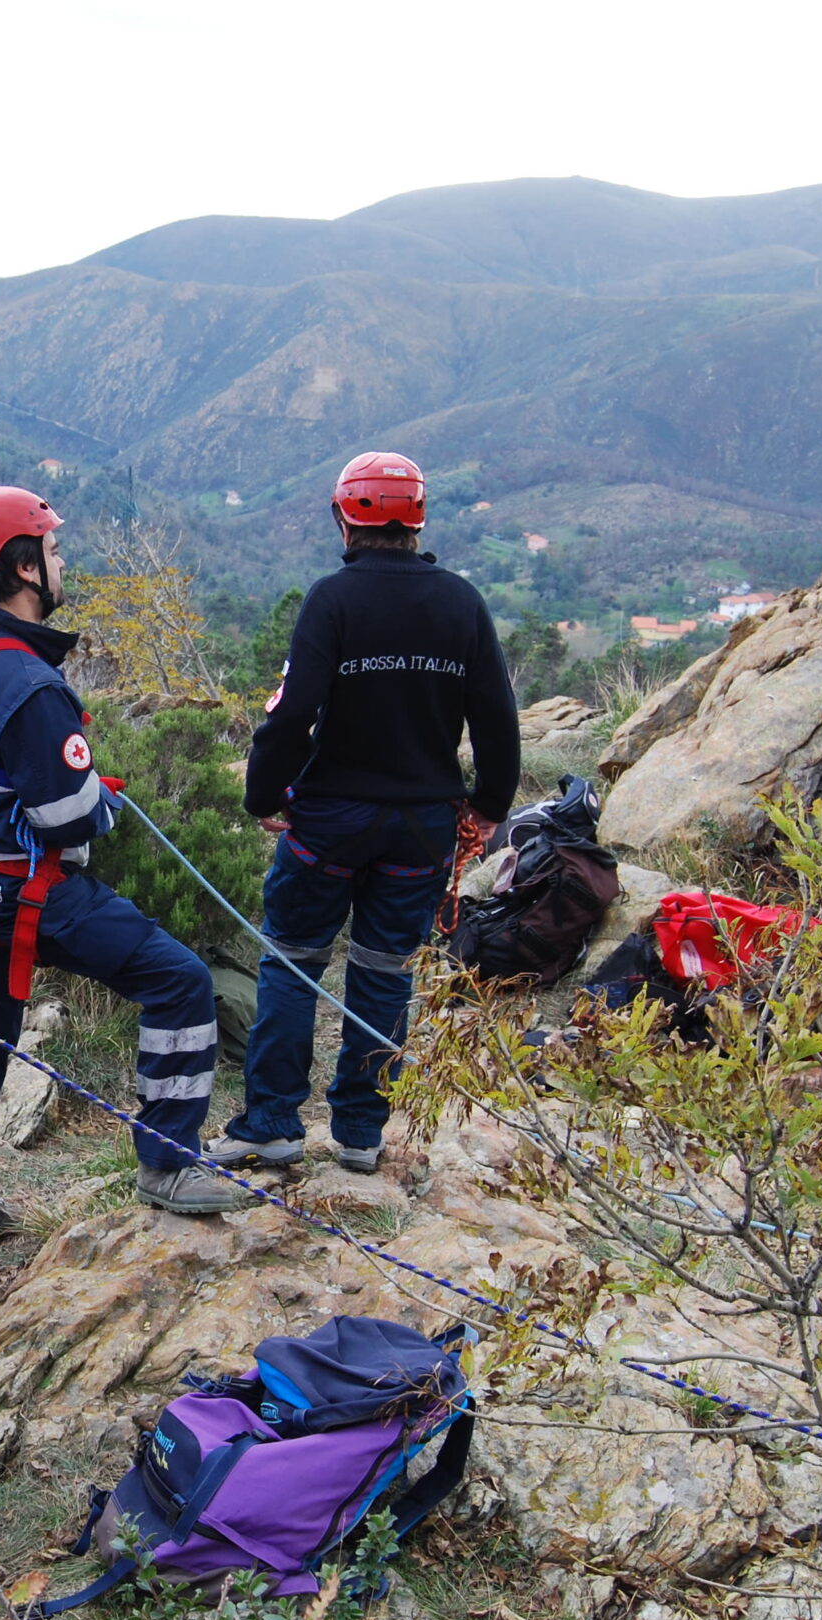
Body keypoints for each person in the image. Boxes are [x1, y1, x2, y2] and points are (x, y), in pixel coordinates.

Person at [0, 487, 245, 1223]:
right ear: (25, 566)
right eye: (55, 550)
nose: (64, 562)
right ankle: (168, 1164)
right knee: (180, 982)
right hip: (33, 893)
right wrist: (100, 796)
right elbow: (68, 820)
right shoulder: (32, 688)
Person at [224, 453, 519, 1174]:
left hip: (330, 819)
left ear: (343, 516)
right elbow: (497, 722)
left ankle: (272, 1124)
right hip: (421, 825)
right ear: (418, 519)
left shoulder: (333, 600)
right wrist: (486, 809)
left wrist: (265, 795)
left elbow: (294, 714)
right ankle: (359, 1132)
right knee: (386, 971)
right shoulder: (461, 603)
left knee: (293, 962)